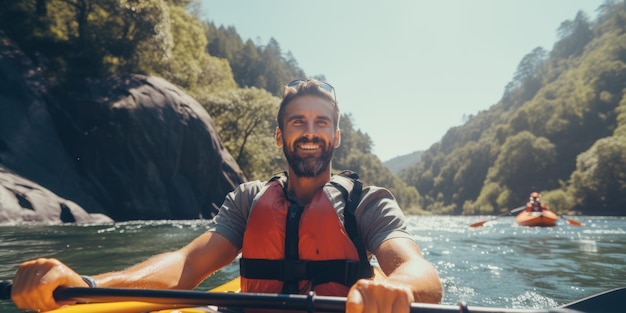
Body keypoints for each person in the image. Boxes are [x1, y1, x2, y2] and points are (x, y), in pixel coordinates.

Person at [10, 79, 443, 312]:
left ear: (336, 135)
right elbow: (188, 263)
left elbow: (419, 272)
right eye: (297, 122)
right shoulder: (249, 199)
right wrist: (86, 285)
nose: (310, 132)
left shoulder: (366, 201)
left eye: (321, 122)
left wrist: (396, 290)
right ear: (279, 135)